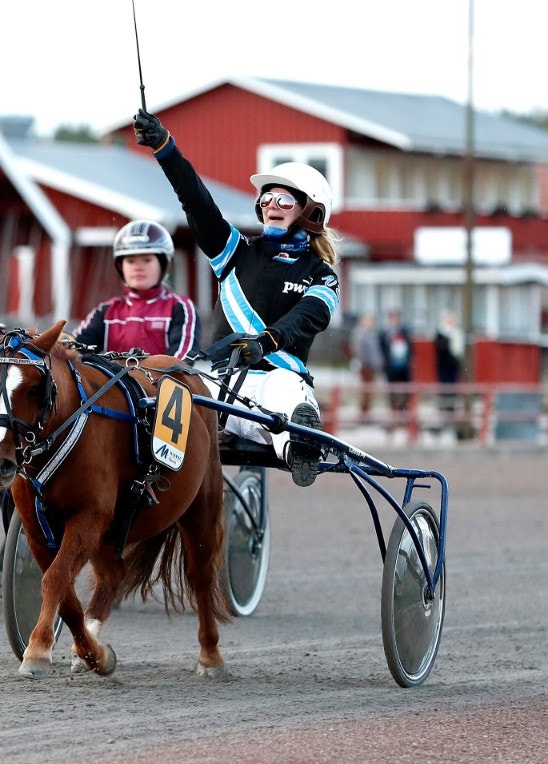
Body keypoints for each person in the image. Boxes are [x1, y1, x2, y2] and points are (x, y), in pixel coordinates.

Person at [133, 109, 340, 487]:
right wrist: (165, 149)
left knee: (287, 393)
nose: (271, 205)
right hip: (221, 382)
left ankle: (300, 443)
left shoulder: (321, 275)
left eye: (284, 200)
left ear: (310, 212)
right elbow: (196, 201)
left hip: (278, 384)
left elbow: (310, 315)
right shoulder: (234, 251)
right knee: (174, 393)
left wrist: (267, 341)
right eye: (267, 198)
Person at [73, 219, 200, 360]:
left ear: (163, 264)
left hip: (163, 375)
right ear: (121, 266)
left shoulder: (179, 307)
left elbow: (182, 361)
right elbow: (73, 350)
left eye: (146, 260)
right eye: (131, 261)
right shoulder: (107, 312)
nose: (138, 267)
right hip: (113, 376)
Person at [379, 309, 413, 427]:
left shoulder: (404, 331)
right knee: (392, 391)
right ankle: (394, 413)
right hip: (391, 366)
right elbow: (382, 348)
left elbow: (410, 347)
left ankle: (403, 413)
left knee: (404, 391)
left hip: (403, 366)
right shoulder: (385, 333)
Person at [350, 312, 384, 422]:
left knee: (369, 392)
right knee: (365, 391)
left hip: (371, 367)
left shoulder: (371, 333)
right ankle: (363, 415)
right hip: (365, 366)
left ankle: (366, 413)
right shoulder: (360, 333)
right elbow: (360, 350)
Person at [434, 310, 464, 422]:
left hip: (454, 364)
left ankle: (451, 408)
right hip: (443, 364)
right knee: (444, 386)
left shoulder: (457, 333)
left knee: (453, 386)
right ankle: (444, 408)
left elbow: (459, 350)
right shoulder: (441, 332)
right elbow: (440, 347)